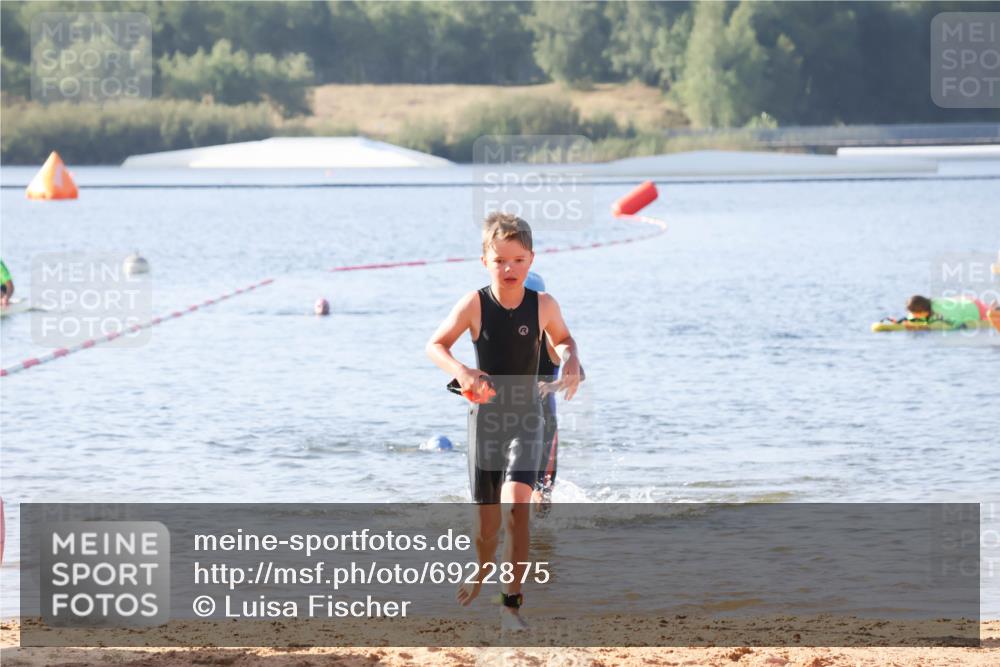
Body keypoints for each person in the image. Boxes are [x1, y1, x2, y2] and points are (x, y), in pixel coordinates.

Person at [426, 213, 582, 632]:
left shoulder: (544, 305)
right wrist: (462, 371)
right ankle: (480, 568)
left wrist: (571, 359)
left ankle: (509, 605)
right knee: (486, 531)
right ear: (485, 261)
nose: (509, 268)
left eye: (517, 260)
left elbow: (564, 339)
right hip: (486, 423)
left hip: (528, 419)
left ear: (531, 260)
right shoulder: (474, 304)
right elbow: (435, 344)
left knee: (518, 510)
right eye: (500, 261)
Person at [897, 294, 989, 328]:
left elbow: (956, 322)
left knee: (992, 312)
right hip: (962, 299)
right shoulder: (925, 308)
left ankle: (994, 307)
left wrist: (925, 326)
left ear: (922, 311)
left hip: (974, 307)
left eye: (913, 314)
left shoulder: (941, 312)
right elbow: (911, 318)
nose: (912, 316)